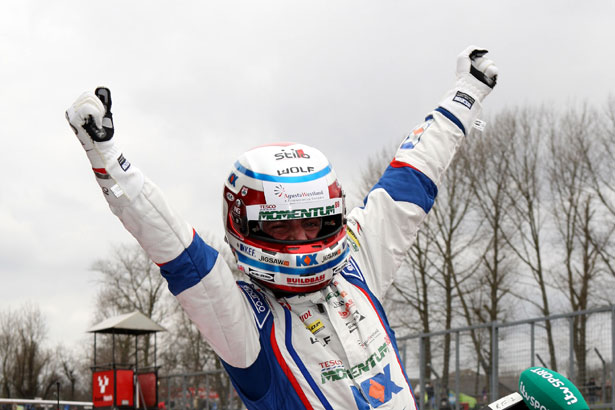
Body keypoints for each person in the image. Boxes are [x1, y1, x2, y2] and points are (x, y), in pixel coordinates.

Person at [65, 46, 498, 409]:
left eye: (314, 223)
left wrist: (468, 90)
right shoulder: (245, 323)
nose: (302, 241)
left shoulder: (358, 263)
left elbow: (412, 177)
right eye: (282, 228)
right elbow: (180, 253)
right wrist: (107, 157)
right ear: (245, 227)